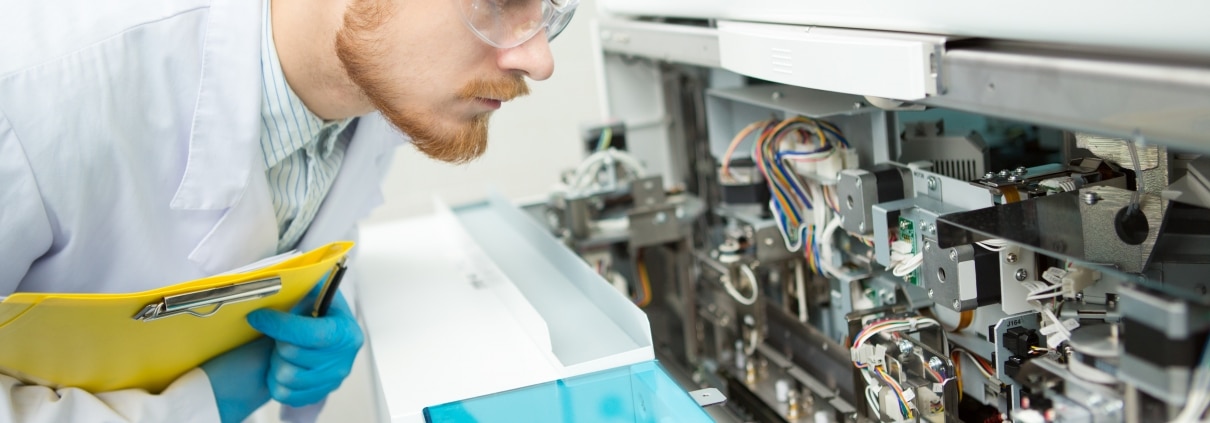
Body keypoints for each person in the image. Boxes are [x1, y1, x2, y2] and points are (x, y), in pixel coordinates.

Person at [0, 0, 574, 420]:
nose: (541, 61)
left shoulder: (378, 91)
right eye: (501, 1)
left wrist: (323, 300)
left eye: (550, 11)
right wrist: (196, 405)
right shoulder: (31, 94)